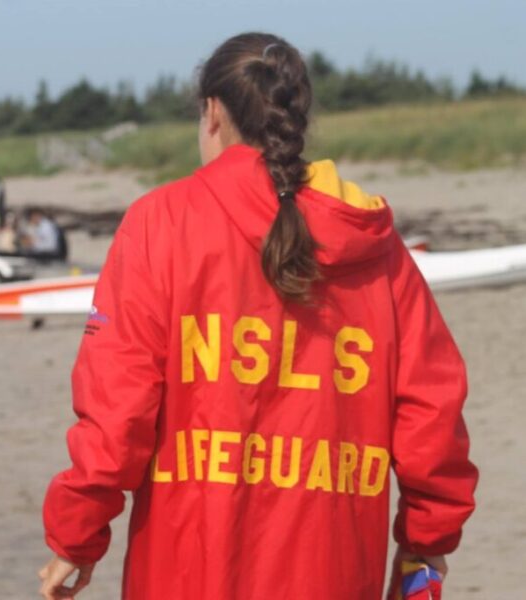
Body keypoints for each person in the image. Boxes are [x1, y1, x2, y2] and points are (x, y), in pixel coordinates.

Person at [39, 32, 477, 599]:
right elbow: (433, 417)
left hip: (184, 574)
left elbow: (116, 410)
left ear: (213, 112)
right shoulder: (375, 245)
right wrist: (424, 543)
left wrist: (76, 537)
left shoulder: (160, 223)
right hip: (337, 573)